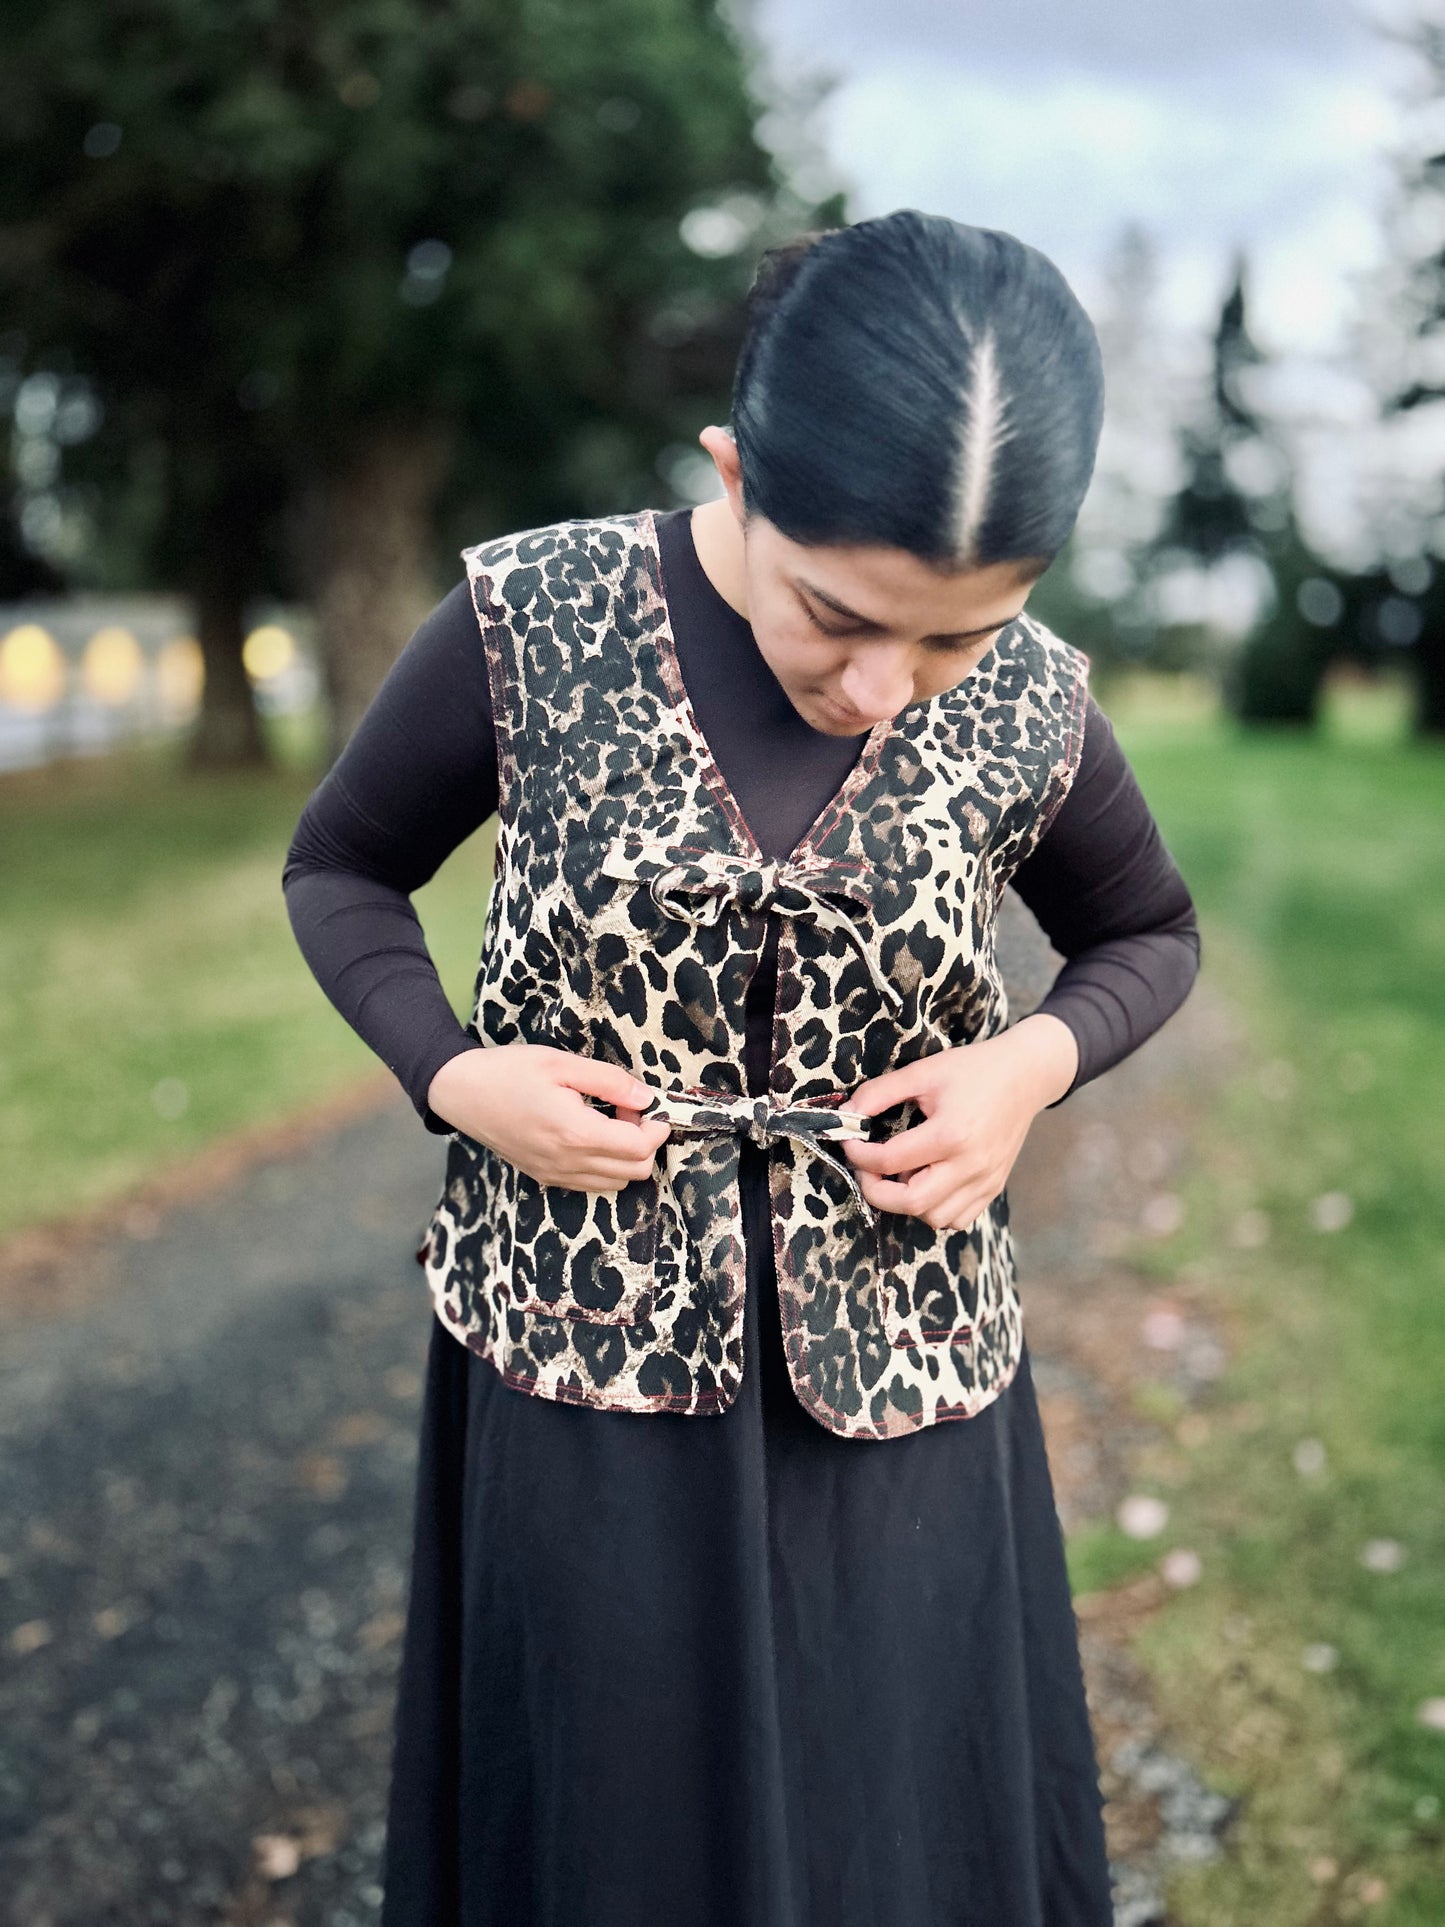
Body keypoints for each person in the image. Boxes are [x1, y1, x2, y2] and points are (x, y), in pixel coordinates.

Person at [283, 210, 1200, 1925]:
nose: (884, 687)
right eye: (838, 614)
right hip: (580, 1368)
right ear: (732, 470)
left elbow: (1147, 935)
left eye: (954, 639)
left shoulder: (1041, 708)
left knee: (894, 1831)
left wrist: (1027, 1069)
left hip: (907, 1385)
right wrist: (455, 1076)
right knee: (614, 1832)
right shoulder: (527, 622)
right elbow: (339, 868)